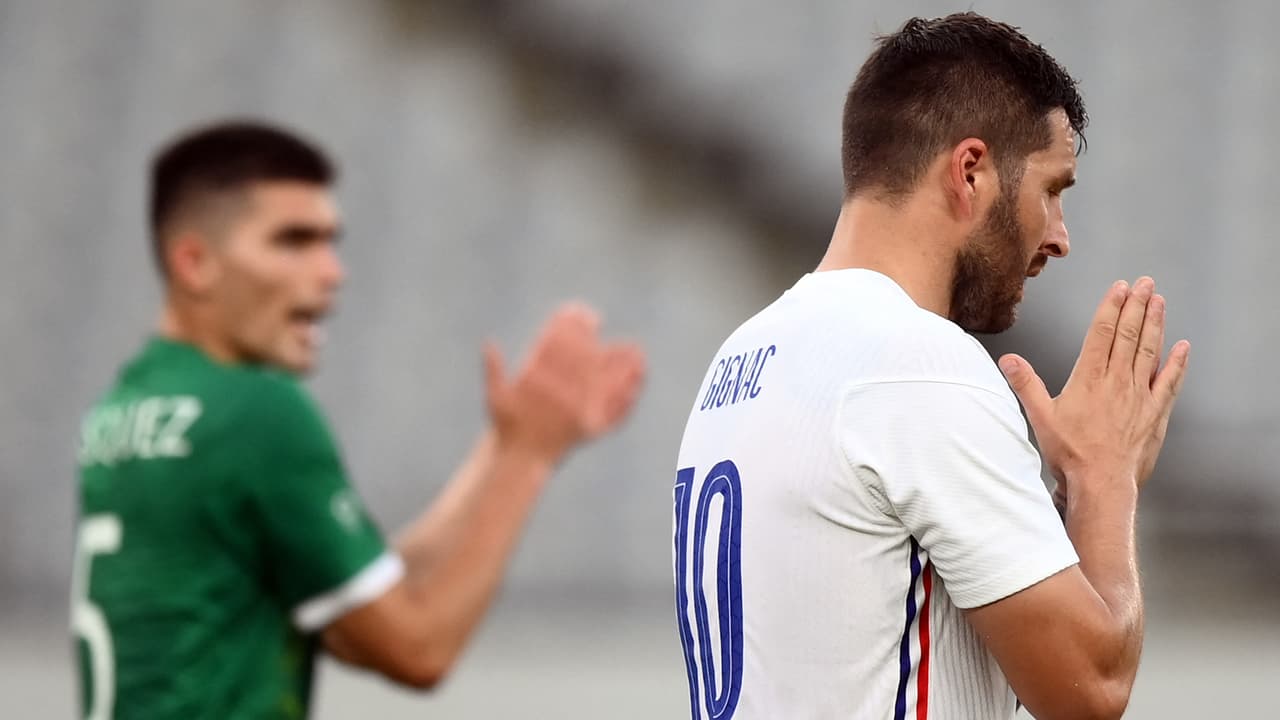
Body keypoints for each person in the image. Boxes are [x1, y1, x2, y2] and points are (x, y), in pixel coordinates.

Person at [671, 12, 1189, 720]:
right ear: (970, 171)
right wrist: (1104, 477)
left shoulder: (739, 359)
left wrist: (1066, 508)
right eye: (1052, 189)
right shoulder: (916, 364)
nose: (1059, 236)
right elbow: (1090, 689)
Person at [72, 121, 646, 719]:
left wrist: (507, 444)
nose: (331, 272)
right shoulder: (255, 413)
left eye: (330, 242)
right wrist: (529, 458)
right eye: (293, 241)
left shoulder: (127, 405)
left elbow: (359, 597)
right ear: (195, 262)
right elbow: (418, 650)